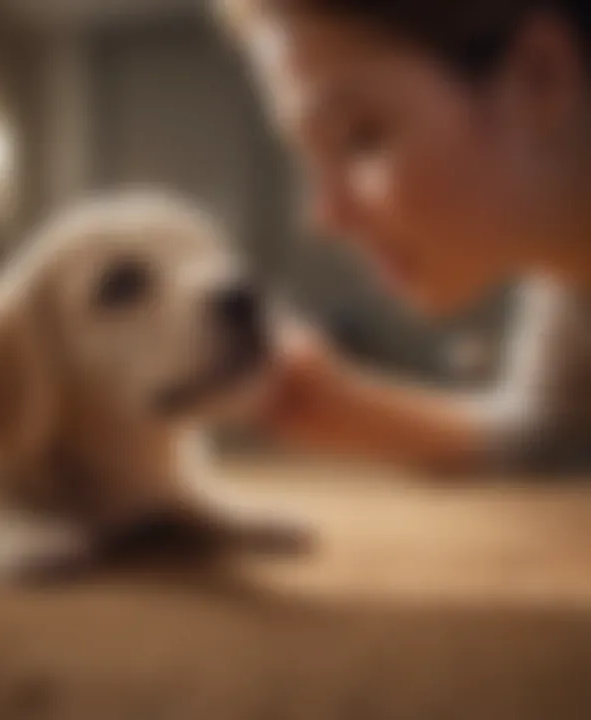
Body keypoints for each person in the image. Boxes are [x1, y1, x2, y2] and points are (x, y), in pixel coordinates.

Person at [217, 0, 591, 473]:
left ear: (539, 76)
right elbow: (555, 431)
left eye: (359, 138)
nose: (327, 216)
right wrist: (343, 409)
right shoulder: (570, 267)